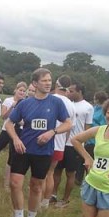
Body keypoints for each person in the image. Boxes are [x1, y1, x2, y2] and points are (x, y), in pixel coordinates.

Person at [5, 68, 72, 217]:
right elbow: (8, 124)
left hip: (43, 152)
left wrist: (52, 132)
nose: (48, 83)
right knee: (15, 183)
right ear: (34, 83)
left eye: (50, 80)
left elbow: (68, 123)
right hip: (23, 149)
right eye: (44, 80)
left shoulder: (56, 103)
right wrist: (15, 139)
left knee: (36, 186)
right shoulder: (25, 103)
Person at [51, 79, 93, 207]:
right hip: (61, 143)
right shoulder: (68, 103)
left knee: (70, 173)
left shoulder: (88, 107)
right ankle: (53, 195)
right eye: (68, 90)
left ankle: (65, 199)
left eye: (72, 91)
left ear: (79, 92)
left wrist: (82, 145)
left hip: (74, 145)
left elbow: (88, 128)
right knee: (56, 171)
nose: (68, 92)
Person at [0, 82, 27, 187]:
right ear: (15, 90)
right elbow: (3, 116)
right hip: (5, 130)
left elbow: (24, 120)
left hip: (18, 131)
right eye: (20, 90)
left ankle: (7, 182)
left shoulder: (25, 103)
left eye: (24, 91)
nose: (22, 92)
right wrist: (12, 106)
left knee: (12, 156)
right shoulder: (8, 101)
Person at [41, 75, 75, 209]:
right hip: (60, 145)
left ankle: (38, 201)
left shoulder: (49, 99)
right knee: (50, 173)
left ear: (56, 84)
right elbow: (69, 128)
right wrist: (63, 143)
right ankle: (45, 202)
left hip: (44, 142)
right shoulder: (71, 105)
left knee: (41, 175)